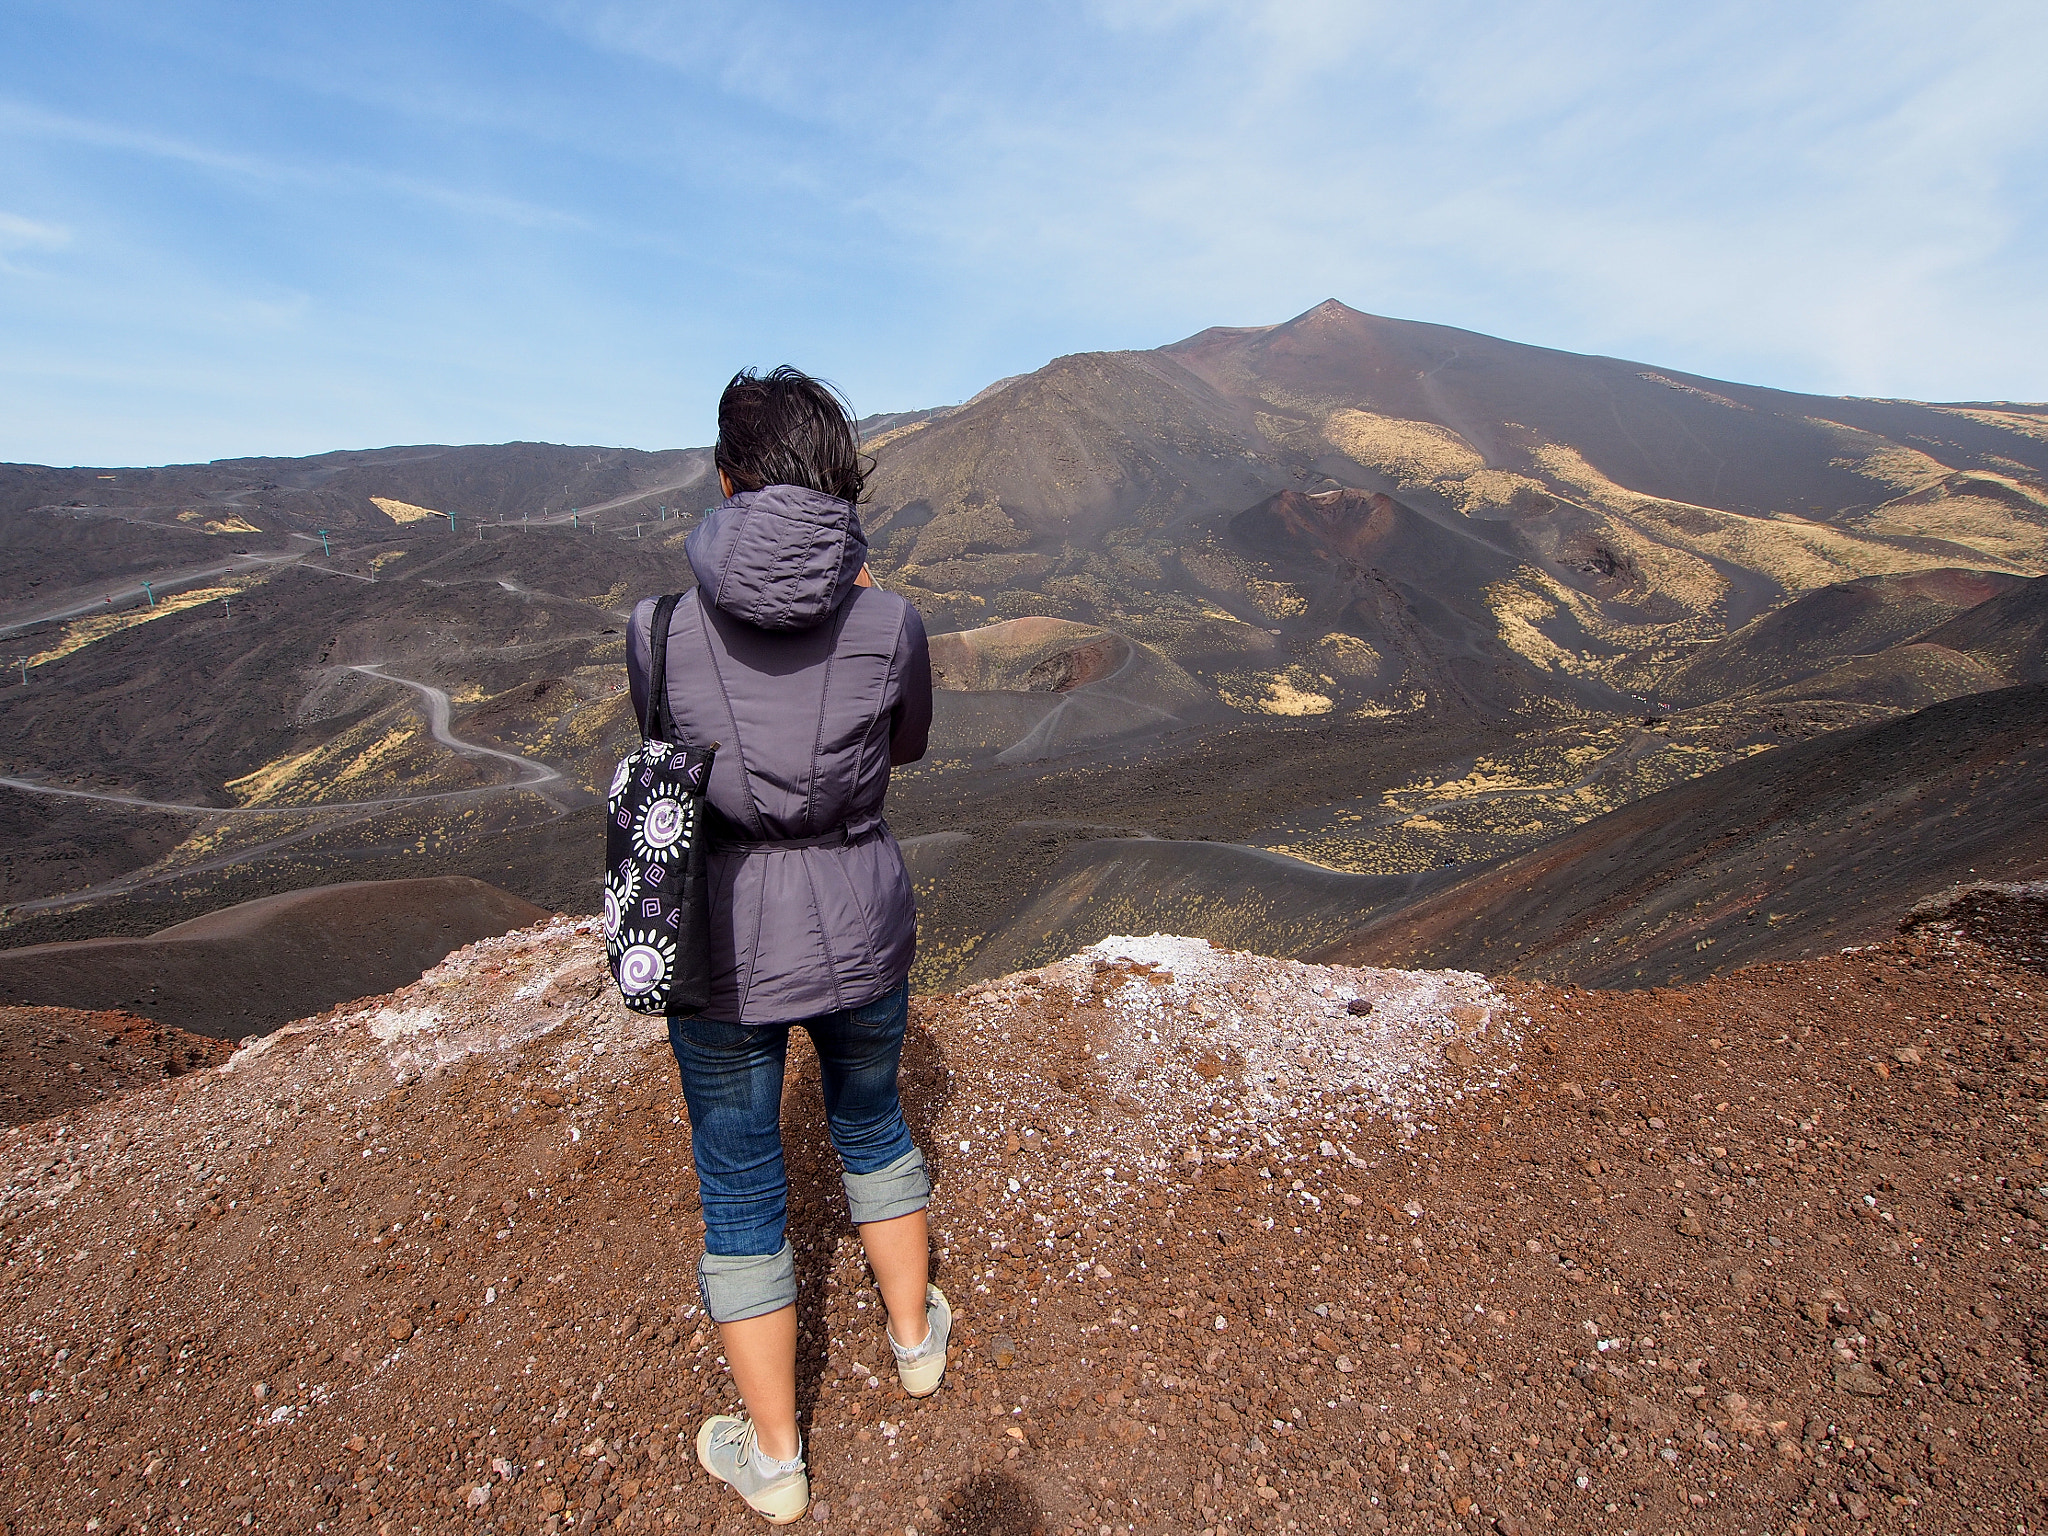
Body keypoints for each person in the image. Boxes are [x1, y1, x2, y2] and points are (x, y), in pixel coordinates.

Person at [625, 366, 943, 1525]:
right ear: (836, 478)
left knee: (742, 1187)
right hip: (859, 921)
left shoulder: (656, 629)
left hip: (720, 950)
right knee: (871, 1117)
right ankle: (913, 1340)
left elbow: (670, 757)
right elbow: (902, 747)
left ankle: (776, 1458)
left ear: (725, 480)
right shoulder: (890, 621)